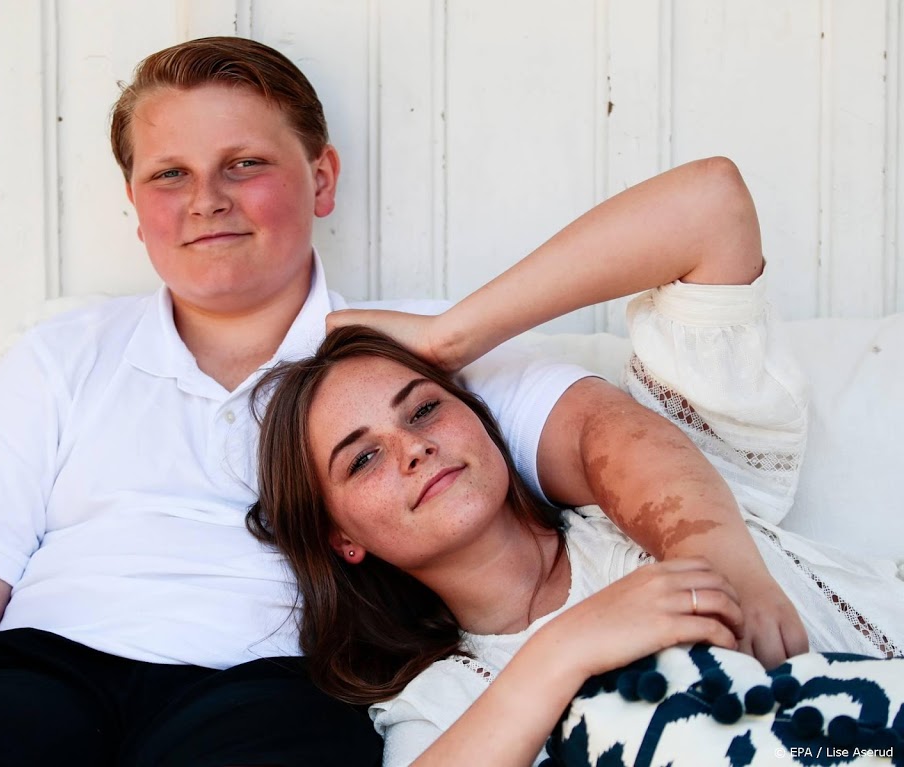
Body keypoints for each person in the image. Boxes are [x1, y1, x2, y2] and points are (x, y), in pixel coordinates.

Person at [0, 37, 794, 765]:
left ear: (321, 178)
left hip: (274, 686)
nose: (206, 199)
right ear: (135, 201)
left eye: (244, 163)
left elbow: (603, 434)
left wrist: (451, 339)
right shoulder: (61, 355)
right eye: (170, 174)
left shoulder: (406, 369)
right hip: (46, 670)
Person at [249, 174, 904, 765]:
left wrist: (447, 337)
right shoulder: (446, 702)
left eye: (424, 409)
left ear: (480, 420)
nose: (412, 448)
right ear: (343, 537)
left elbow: (712, 207)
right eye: (363, 458)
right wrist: (563, 650)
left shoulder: (662, 493)